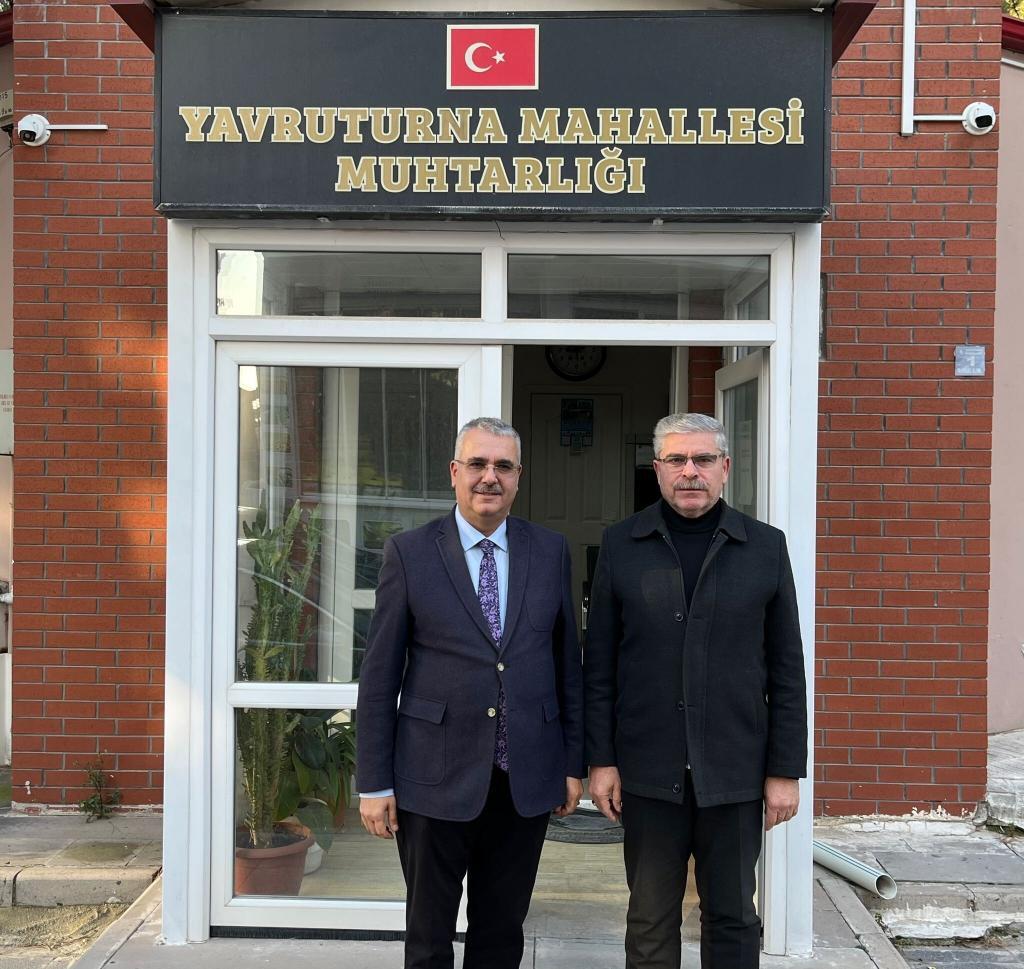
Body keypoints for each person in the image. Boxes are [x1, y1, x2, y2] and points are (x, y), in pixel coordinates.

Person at [356, 416, 584, 969]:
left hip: (524, 778)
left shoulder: (550, 550)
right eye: (478, 464)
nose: (490, 477)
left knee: (501, 934)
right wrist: (374, 783)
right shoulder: (409, 553)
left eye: (503, 466)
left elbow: (567, 667)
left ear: (518, 476)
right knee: (429, 937)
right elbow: (380, 677)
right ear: (454, 472)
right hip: (432, 778)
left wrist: (571, 763)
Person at [585, 412, 807, 969]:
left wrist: (785, 770)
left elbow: (787, 668)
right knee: (650, 918)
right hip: (647, 770)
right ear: (657, 468)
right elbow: (599, 666)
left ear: (725, 468)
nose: (690, 471)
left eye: (703, 459)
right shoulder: (622, 544)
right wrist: (601, 760)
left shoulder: (765, 547)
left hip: (734, 771)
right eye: (677, 459)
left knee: (733, 917)